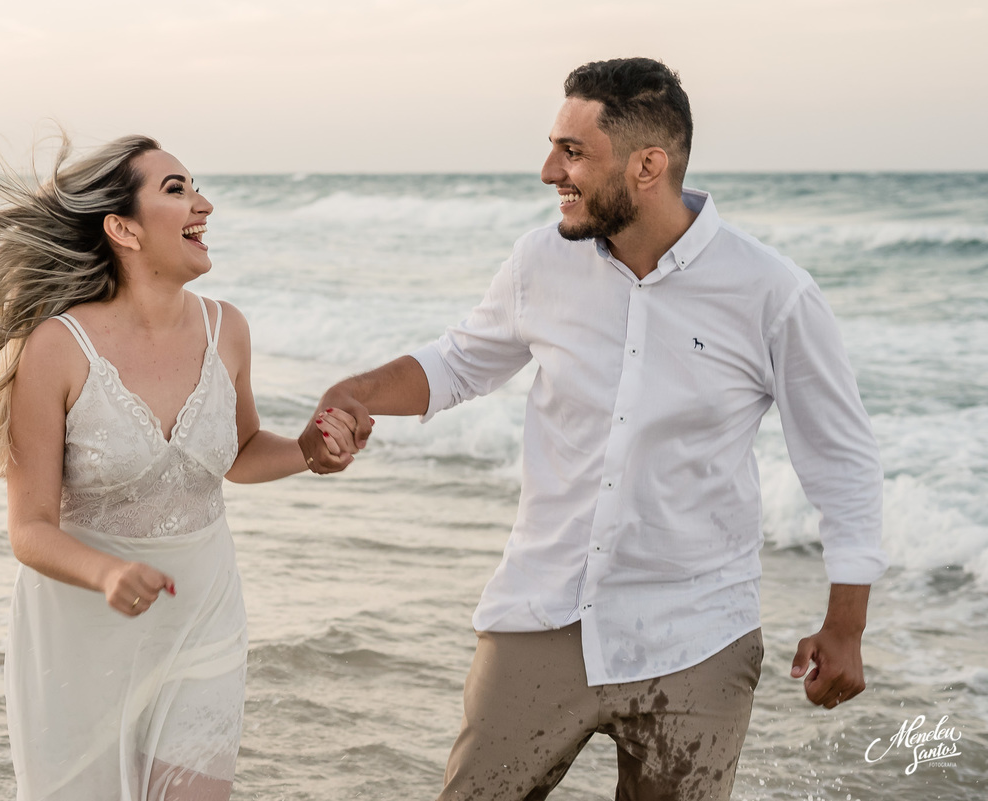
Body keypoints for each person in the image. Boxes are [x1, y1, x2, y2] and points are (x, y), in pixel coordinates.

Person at [300, 58, 888, 800]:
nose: (550, 170)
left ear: (649, 164)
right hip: (541, 613)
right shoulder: (541, 260)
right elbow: (461, 361)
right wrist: (358, 394)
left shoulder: (772, 292)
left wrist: (846, 624)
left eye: (573, 152)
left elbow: (840, 459)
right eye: (554, 146)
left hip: (697, 636)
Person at [0, 134, 353, 801]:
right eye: (176, 189)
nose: (202, 204)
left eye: (195, 187)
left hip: (204, 618)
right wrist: (109, 571)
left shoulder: (227, 330)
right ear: (122, 227)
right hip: (81, 633)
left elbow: (237, 454)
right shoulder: (58, 349)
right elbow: (29, 528)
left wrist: (306, 452)